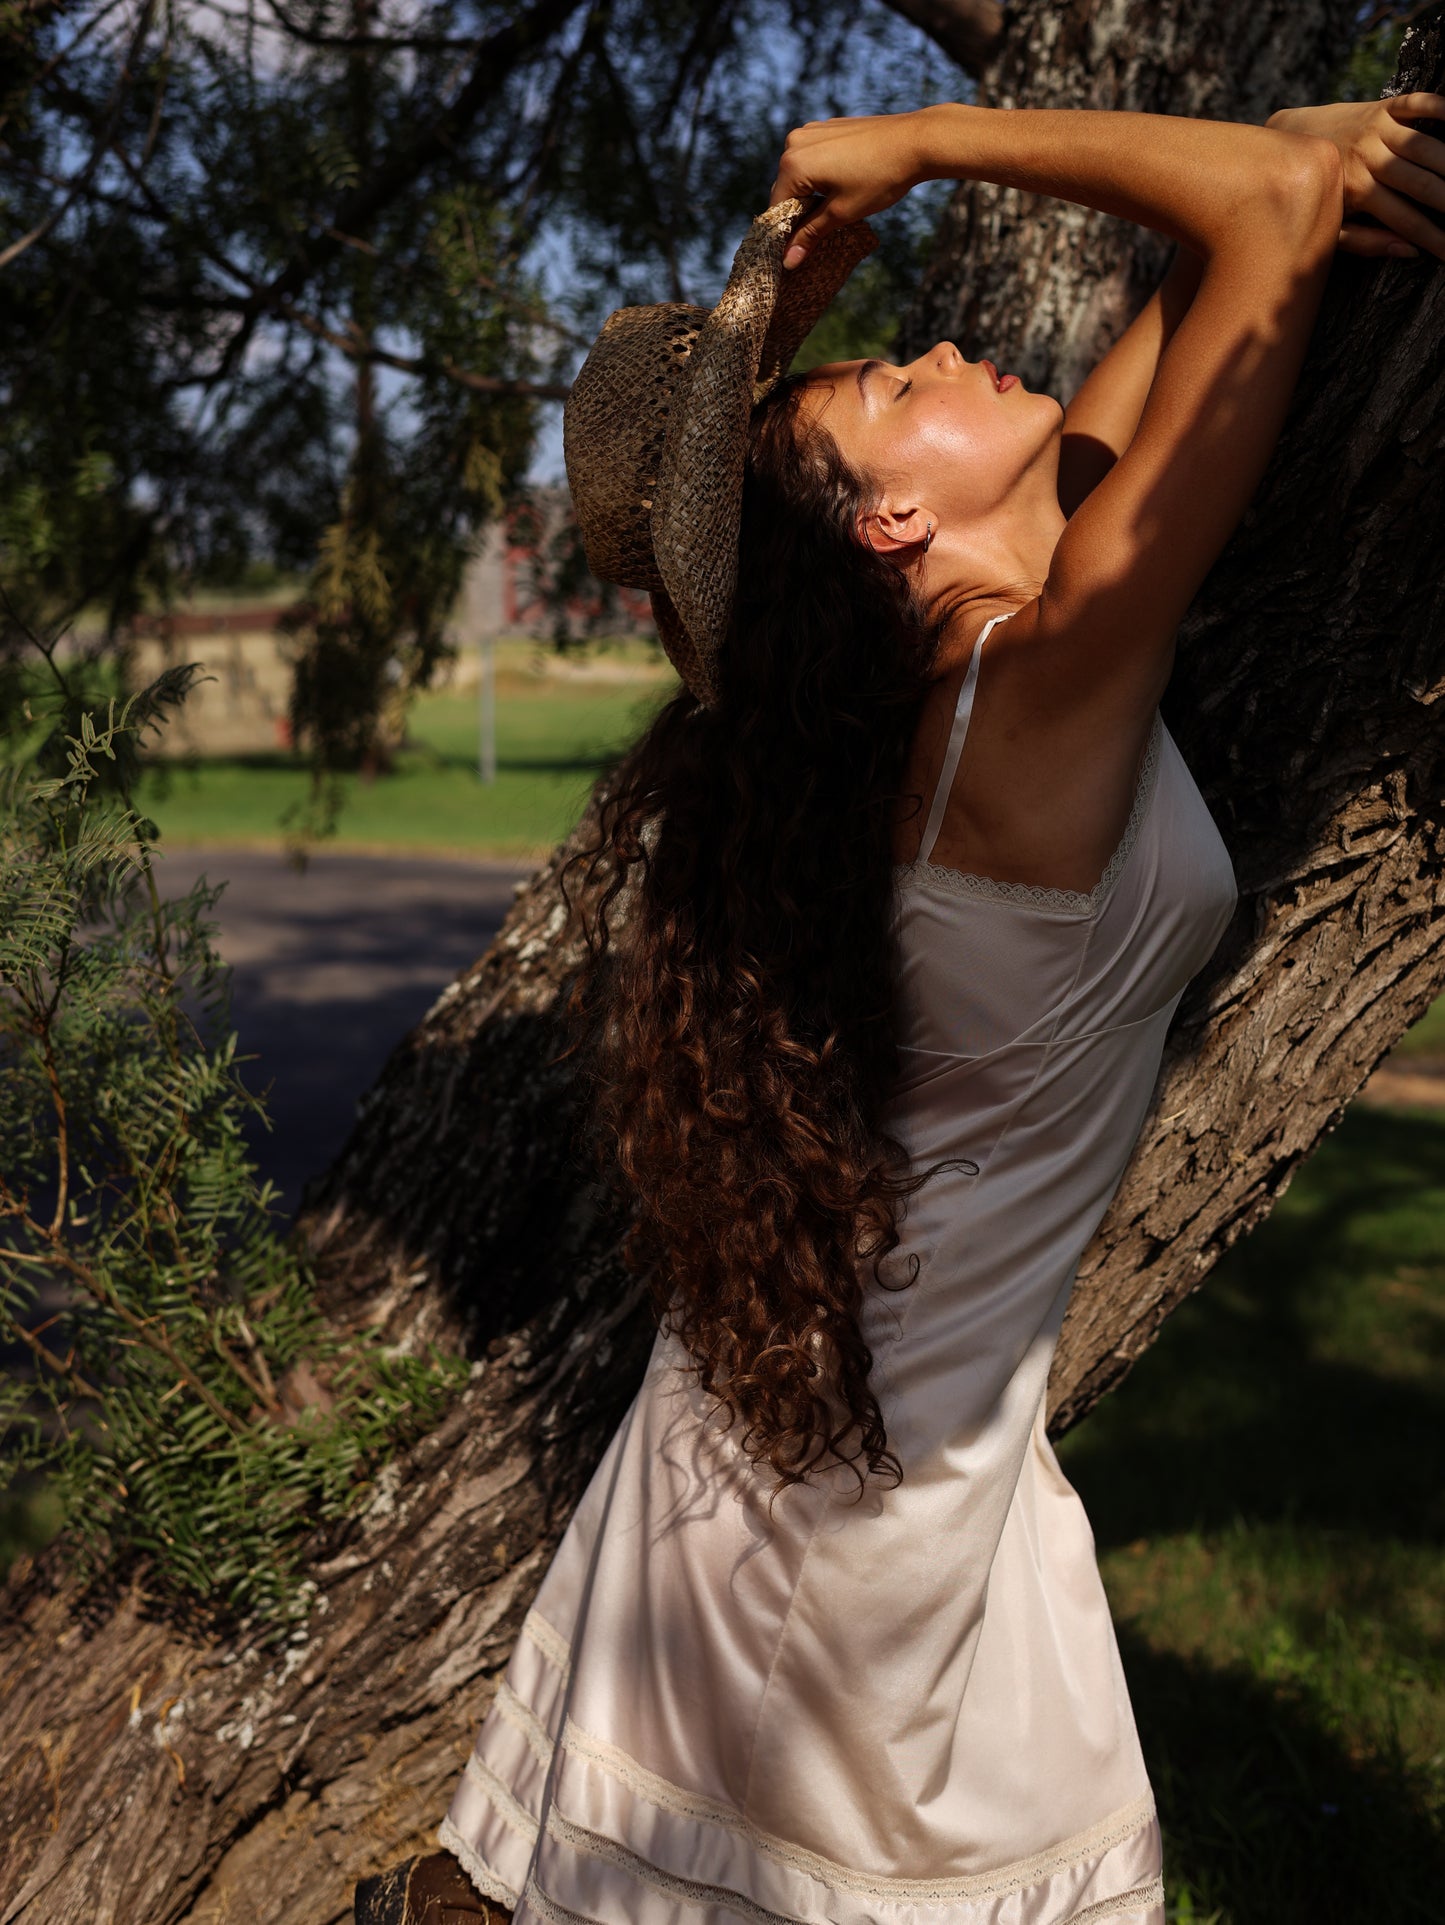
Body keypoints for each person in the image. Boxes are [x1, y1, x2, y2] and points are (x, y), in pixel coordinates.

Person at [355, 89, 1445, 1925]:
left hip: (830, 1459)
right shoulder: (1017, 710)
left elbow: (1210, 266)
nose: (943, 343)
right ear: (888, 520)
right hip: (866, 1539)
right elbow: (1258, 218)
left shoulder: (974, 673)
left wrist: (1293, 143)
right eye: (885, 384)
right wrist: (931, 139)